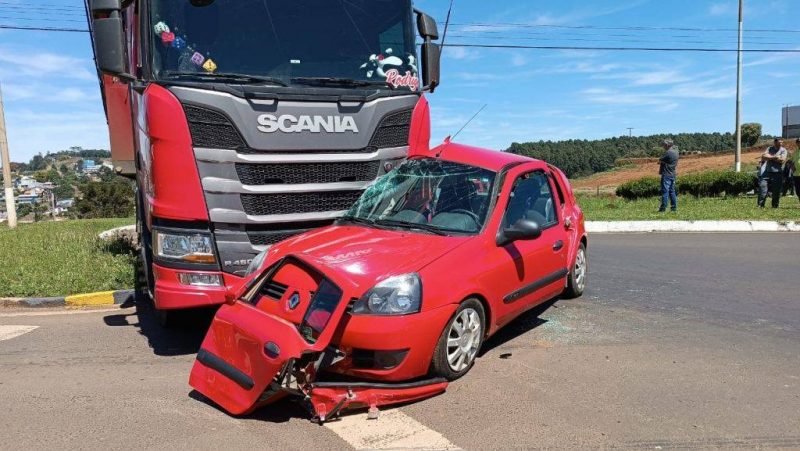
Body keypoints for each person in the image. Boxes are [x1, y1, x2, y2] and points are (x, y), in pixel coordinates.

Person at [757, 138, 787, 208]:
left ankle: (775, 205)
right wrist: (775, 157)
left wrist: (769, 157)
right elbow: (763, 156)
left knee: (776, 191)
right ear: (775, 142)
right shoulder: (769, 148)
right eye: (779, 143)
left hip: (777, 173)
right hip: (767, 172)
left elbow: (782, 160)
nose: (781, 144)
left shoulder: (783, 150)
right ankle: (760, 205)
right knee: (762, 187)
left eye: (782, 143)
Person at [658, 139, 679, 212]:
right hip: (672, 174)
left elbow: (660, 160)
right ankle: (673, 208)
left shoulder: (668, 153)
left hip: (666, 174)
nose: (663, 146)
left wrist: (661, 161)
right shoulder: (676, 152)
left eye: (664, 145)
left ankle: (662, 209)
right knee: (672, 191)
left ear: (667, 145)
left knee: (665, 191)